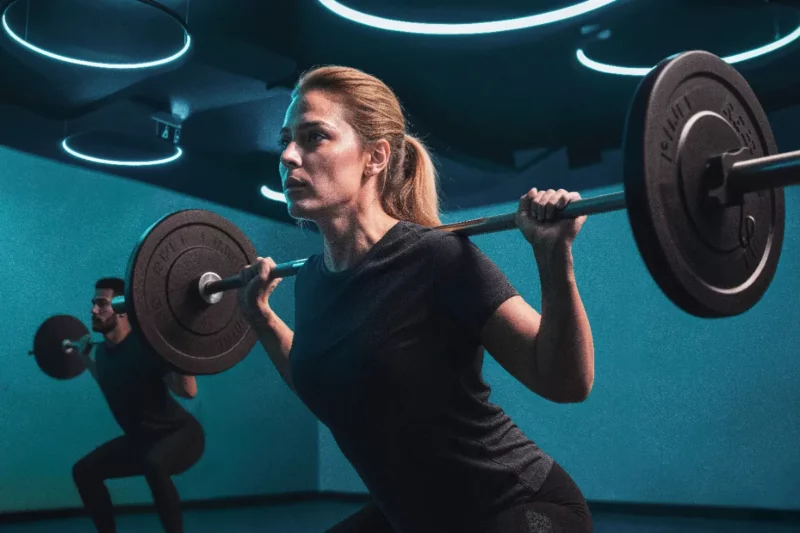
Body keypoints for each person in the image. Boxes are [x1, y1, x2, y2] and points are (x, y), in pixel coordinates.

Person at [238, 66, 595, 533]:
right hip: (417, 515)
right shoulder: (311, 281)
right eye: (286, 139)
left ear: (375, 157)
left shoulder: (436, 258)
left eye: (314, 137)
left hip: (515, 506)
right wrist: (262, 318)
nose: (287, 155)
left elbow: (567, 382)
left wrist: (554, 259)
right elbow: (326, 383)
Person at [69, 277, 205, 533]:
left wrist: (181, 346)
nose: (93, 310)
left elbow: (188, 391)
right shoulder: (103, 354)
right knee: (84, 471)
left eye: (101, 304)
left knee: (154, 464)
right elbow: (110, 381)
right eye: (93, 304)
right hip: (143, 440)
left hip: (182, 436)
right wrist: (85, 359)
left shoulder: (146, 347)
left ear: (121, 310)